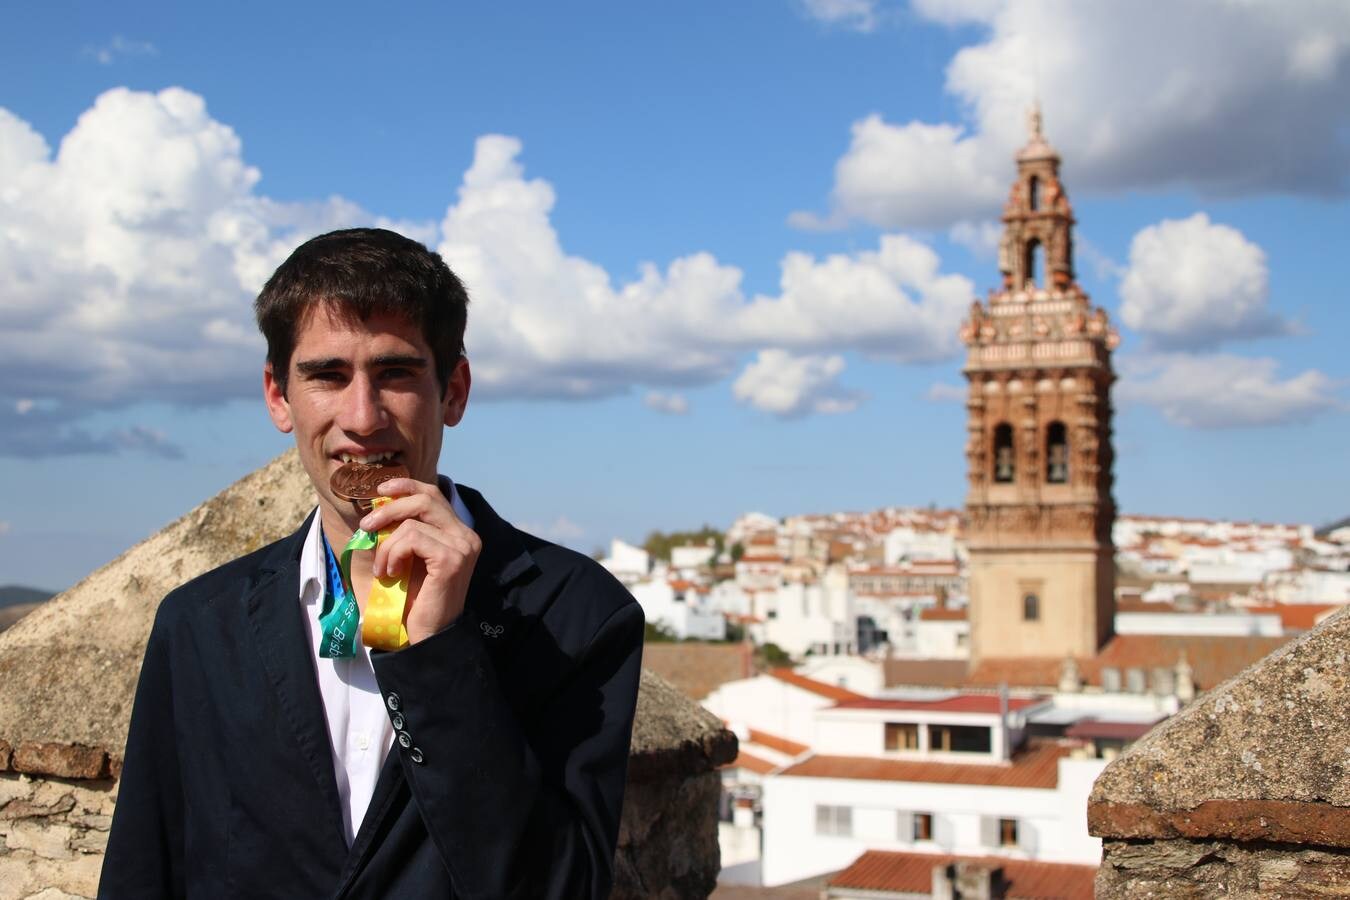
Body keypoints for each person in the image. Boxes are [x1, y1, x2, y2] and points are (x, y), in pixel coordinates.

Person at [98, 228, 644, 899]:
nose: (361, 417)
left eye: (395, 373)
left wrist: (439, 655)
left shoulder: (577, 615)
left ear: (454, 391)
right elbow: (145, 875)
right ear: (278, 397)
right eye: (327, 375)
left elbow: (559, 889)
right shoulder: (198, 627)